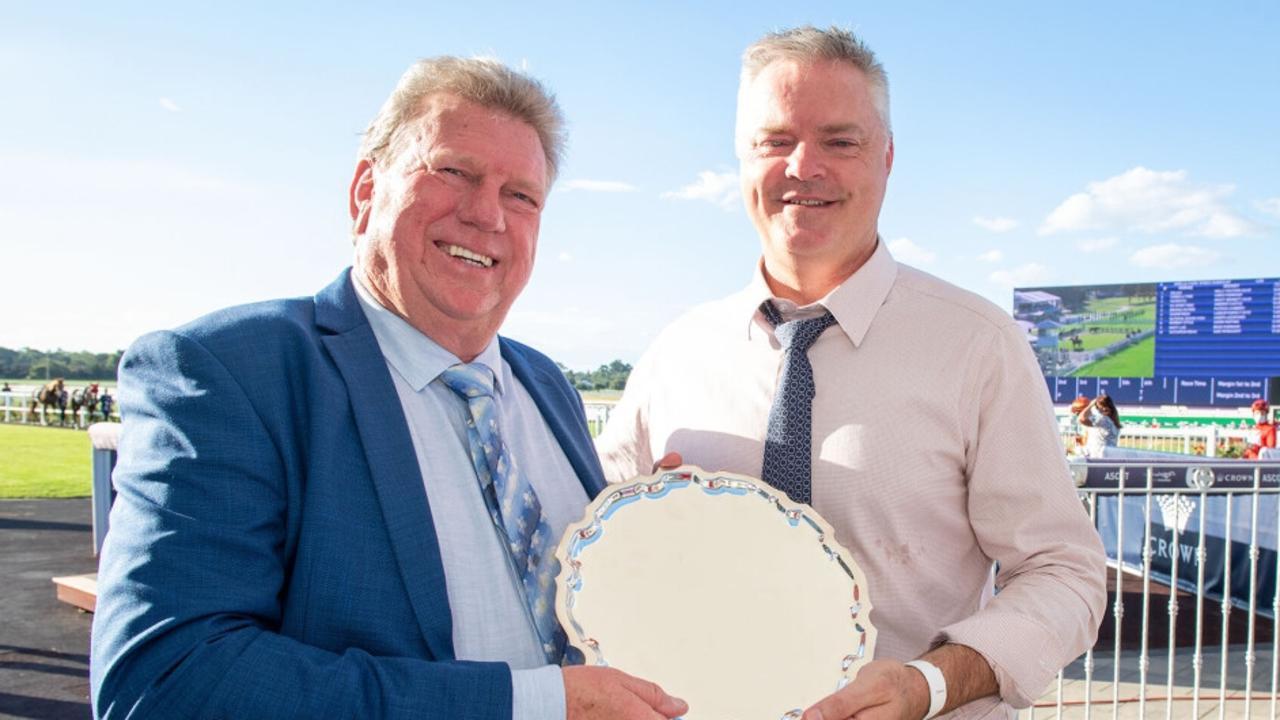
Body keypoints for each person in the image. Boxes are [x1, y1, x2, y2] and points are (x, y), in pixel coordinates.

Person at [91, 56, 686, 720]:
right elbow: (167, 683)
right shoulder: (230, 373)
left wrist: (654, 543)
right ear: (364, 192)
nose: (487, 214)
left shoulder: (548, 385)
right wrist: (532, 704)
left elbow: (583, 601)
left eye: (521, 195)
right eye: (453, 172)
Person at [596, 26, 1106, 719]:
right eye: (776, 141)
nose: (804, 166)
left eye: (840, 141)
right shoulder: (675, 354)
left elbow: (1064, 572)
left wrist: (931, 683)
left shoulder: (978, 347)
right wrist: (648, 532)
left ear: (888, 158)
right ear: (741, 160)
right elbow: (589, 538)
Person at [1077, 394, 1121, 458]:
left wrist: (1090, 405)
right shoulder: (1113, 421)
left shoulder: (1102, 419)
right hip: (1109, 457)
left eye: (1097, 407)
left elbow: (1081, 419)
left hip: (1098, 457)